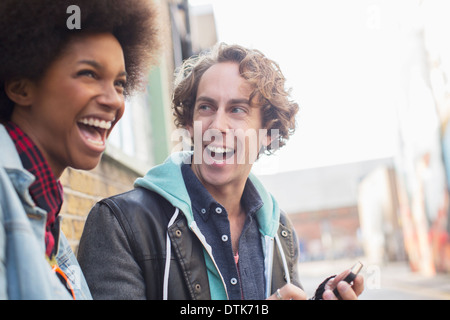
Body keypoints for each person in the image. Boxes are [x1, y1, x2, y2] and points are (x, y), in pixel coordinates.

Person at [78, 43, 363, 300]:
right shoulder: (119, 225)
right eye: (206, 107)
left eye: (237, 110)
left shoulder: (279, 231)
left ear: (268, 132)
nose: (217, 125)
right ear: (189, 125)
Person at [0, 0, 159, 299]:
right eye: (89, 74)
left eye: (120, 84)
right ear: (21, 86)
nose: (114, 101)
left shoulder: (45, 212)